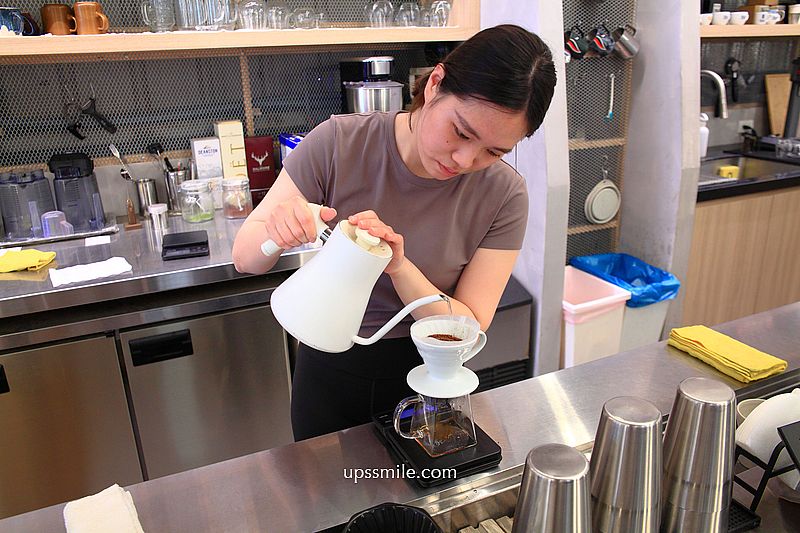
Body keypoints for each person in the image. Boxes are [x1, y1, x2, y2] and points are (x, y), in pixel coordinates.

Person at [232, 24, 557, 441]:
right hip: (329, 368)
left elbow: (469, 326)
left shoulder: (504, 194)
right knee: (324, 483)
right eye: (461, 132)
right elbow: (245, 258)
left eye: (494, 152)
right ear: (435, 84)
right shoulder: (339, 142)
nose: (465, 160)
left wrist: (400, 267)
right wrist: (279, 231)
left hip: (432, 377)